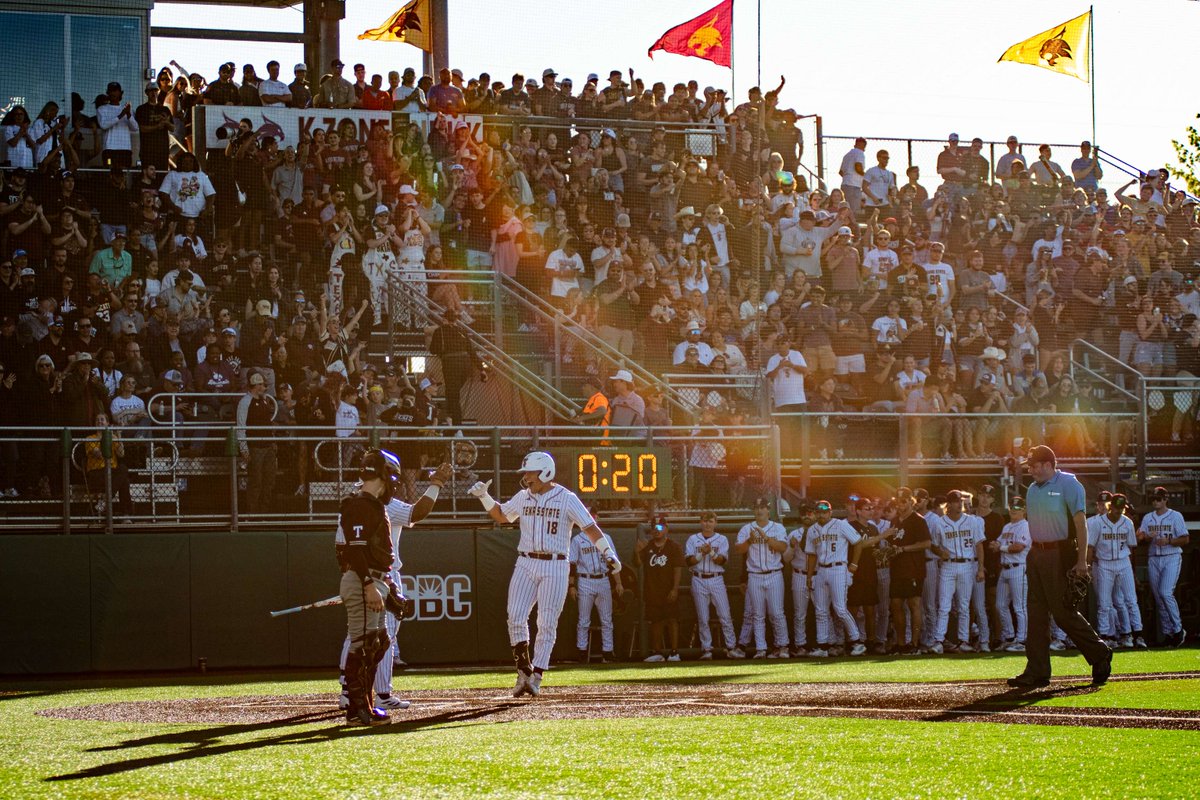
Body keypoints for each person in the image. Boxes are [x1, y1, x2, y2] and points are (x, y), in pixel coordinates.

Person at [469, 452, 622, 697]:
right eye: (526, 473)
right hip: (526, 561)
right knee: (515, 616)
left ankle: (537, 675)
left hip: (555, 564)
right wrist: (484, 497)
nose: (526, 477)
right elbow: (502, 515)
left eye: (531, 472)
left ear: (546, 472)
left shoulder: (566, 498)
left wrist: (608, 553)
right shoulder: (523, 497)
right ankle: (523, 670)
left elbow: (589, 527)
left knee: (546, 622)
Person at [336, 453, 453, 714]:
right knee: (364, 641)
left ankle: (358, 696)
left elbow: (343, 547)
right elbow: (353, 548)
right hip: (367, 577)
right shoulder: (362, 505)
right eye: (392, 478)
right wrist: (365, 582)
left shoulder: (368, 503)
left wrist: (383, 583)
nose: (395, 484)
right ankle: (368, 698)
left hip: (377, 576)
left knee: (375, 640)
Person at [1008, 445, 1112, 689]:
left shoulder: (1069, 484)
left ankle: (1099, 653)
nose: (1031, 470)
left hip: (1059, 553)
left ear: (1047, 464)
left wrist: (1081, 561)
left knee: (1063, 612)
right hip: (1036, 553)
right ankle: (1037, 670)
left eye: (1034, 465)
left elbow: (1080, 524)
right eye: (1030, 466)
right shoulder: (1032, 489)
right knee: (1035, 614)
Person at [804, 499, 868, 657]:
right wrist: (810, 575)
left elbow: (858, 542)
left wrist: (853, 566)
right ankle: (823, 646)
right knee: (820, 610)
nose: (822, 514)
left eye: (825, 511)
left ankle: (857, 642)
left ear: (830, 512)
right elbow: (811, 555)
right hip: (821, 570)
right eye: (819, 511)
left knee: (840, 608)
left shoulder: (840, 524)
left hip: (838, 568)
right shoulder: (812, 530)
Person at [928, 490, 988, 654]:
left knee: (963, 606)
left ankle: (964, 641)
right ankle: (939, 641)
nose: (959, 504)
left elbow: (979, 545)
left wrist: (980, 568)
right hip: (948, 566)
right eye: (955, 501)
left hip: (967, 565)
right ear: (948, 504)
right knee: (944, 605)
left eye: (960, 501)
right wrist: (940, 553)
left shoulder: (972, 521)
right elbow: (933, 545)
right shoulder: (940, 522)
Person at [733, 497, 790, 658]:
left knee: (777, 613)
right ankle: (761, 648)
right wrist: (750, 540)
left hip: (774, 574)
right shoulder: (746, 529)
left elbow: (783, 547)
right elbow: (738, 550)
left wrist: (766, 538)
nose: (759, 510)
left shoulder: (777, 528)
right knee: (758, 614)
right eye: (757, 507)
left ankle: (783, 646)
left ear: (768, 510)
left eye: (763, 507)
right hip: (755, 576)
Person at [1087, 493, 1144, 650]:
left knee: (1131, 600)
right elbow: (1090, 546)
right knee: (1104, 603)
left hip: (1123, 562)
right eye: (1116, 507)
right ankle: (1105, 636)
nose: (1119, 511)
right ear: (1109, 506)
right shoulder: (1098, 522)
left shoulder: (1127, 523)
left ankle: (1136, 635)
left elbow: (1132, 547)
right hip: (1104, 563)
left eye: (1121, 508)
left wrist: (1132, 571)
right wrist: (1088, 566)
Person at [1136, 485, 1190, 647]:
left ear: (1166, 499)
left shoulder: (1175, 516)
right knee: (1159, 598)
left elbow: (1185, 539)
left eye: (1158, 498)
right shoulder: (1148, 517)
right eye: (1153, 498)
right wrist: (1144, 536)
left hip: (1171, 556)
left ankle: (1178, 629)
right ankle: (1168, 634)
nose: (1155, 501)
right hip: (1154, 557)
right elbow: (1141, 536)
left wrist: (1170, 541)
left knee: (1165, 593)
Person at [685, 511, 742, 660]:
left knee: (725, 615)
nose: (707, 524)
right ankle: (706, 649)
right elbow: (689, 561)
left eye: (710, 521)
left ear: (715, 523)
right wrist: (701, 554)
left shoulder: (721, 539)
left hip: (716, 578)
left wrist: (710, 552)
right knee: (703, 617)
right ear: (700, 522)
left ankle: (731, 647)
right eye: (704, 521)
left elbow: (721, 561)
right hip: (698, 578)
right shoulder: (693, 539)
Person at [636, 516, 685, 662]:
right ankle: (657, 652)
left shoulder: (674, 546)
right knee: (655, 621)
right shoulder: (648, 546)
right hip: (652, 590)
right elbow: (637, 563)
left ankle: (674, 652)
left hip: (668, 589)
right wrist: (637, 551)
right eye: (653, 528)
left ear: (666, 528)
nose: (656, 531)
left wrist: (675, 589)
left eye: (659, 527)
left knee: (672, 619)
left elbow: (678, 569)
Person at [888, 487, 931, 653]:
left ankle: (914, 643)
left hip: (914, 568)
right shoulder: (895, 521)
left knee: (914, 604)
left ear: (911, 501)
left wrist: (903, 549)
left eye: (903, 501)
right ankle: (901, 643)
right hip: (897, 569)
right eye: (897, 501)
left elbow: (926, 543)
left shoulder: (918, 520)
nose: (899, 504)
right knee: (896, 604)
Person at [569, 523, 619, 664]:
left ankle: (608, 652)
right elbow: (572, 564)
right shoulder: (577, 539)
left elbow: (613, 561)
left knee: (607, 619)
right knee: (584, 620)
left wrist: (619, 582)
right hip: (585, 580)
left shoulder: (606, 538)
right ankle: (582, 651)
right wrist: (571, 585)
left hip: (603, 579)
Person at [992, 496, 1031, 652]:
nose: (1013, 511)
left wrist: (1000, 547)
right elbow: (997, 542)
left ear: (1023, 510)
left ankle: (1022, 640)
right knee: (1000, 605)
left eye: (1017, 508)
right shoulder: (1007, 526)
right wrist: (996, 545)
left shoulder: (1025, 526)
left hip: (1018, 567)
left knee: (1019, 607)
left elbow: (1019, 547)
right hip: (1005, 568)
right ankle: (1009, 637)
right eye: (1011, 508)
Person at [236, 371, 276, 514]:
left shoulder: (264, 400)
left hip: (268, 446)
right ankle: (252, 514)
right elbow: (241, 426)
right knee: (256, 482)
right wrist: (244, 449)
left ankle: (264, 513)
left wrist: (273, 441)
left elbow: (268, 422)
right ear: (257, 386)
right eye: (262, 385)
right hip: (255, 447)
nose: (265, 388)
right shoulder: (245, 402)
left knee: (269, 481)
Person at [785, 501, 816, 656]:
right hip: (799, 574)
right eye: (804, 513)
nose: (807, 516)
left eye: (810, 512)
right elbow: (786, 559)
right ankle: (800, 645)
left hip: (818, 574)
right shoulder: (794, 534)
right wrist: (791, 546)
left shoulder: (821, 532)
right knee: (800, 613)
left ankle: (828, 643)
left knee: (822, 611)